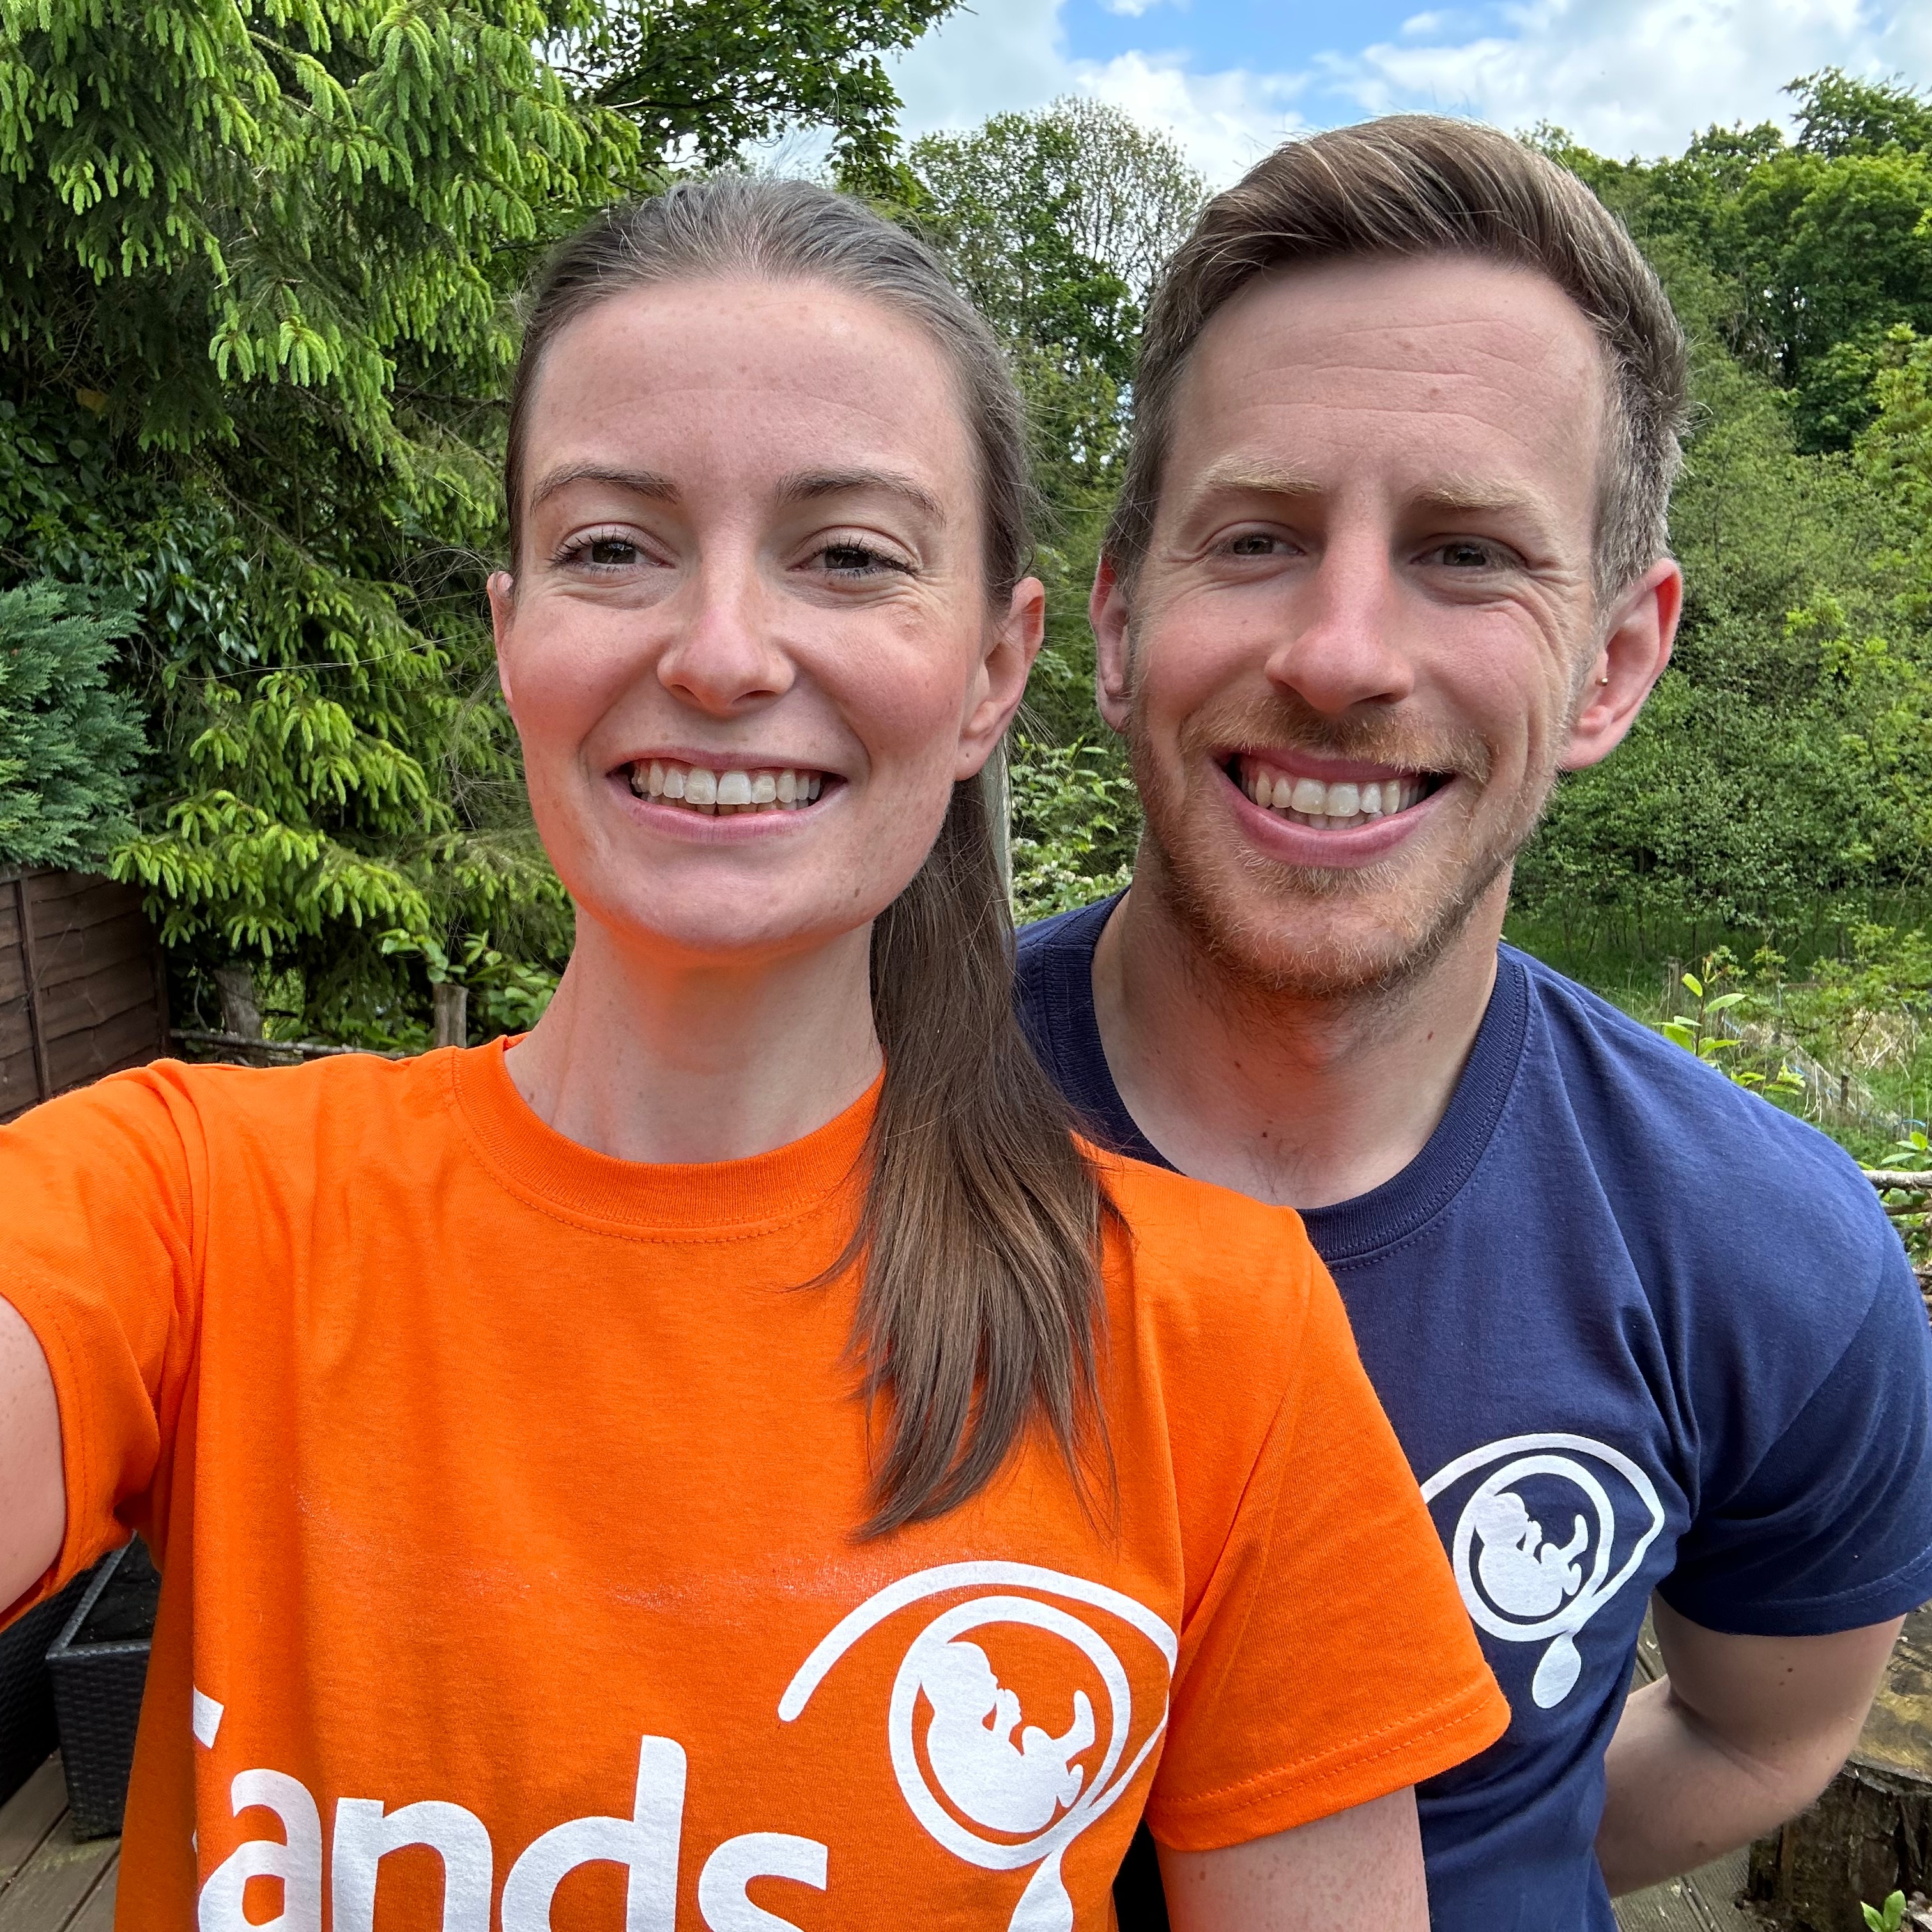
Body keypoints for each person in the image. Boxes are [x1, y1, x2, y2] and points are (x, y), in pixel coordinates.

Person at [0, 176, 1507, 1929]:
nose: (719, 655)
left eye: (849, 555)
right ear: (511, 637)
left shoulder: (1210, 1336)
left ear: (992, 671)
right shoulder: (191, 1203)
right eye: (611, 547)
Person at [1015, 116, 1932, 1931]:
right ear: (1118, 618)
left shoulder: (1766, 1257)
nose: (1344, 653)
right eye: (1258, 538)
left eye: (1466, 553)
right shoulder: (824, 1128)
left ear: (1614, 662)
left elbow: (1760, 1732)